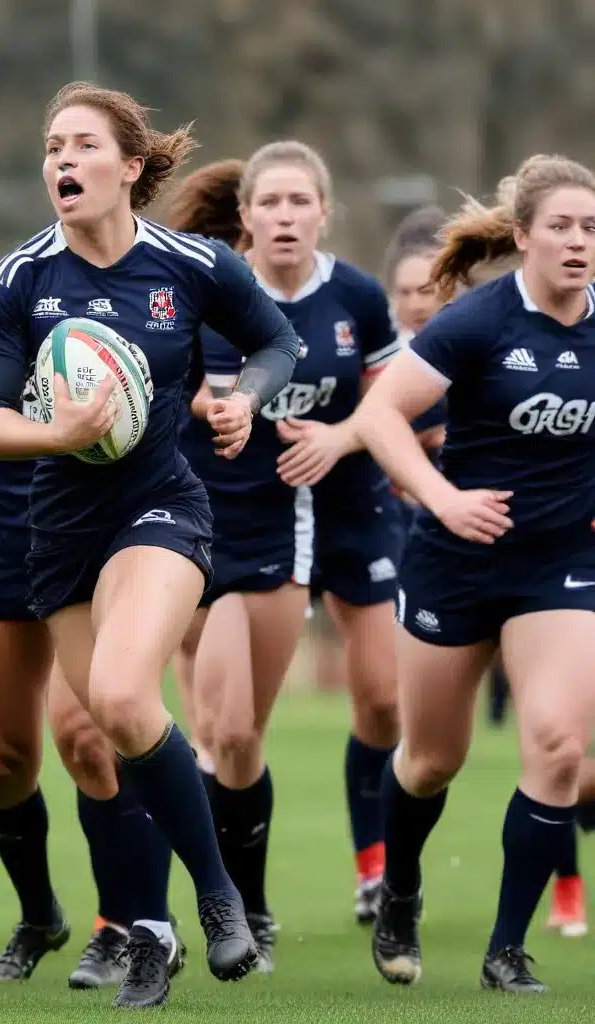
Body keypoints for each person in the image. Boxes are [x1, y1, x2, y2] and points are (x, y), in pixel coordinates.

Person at [0, 81, 300, 1008]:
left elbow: (278, 344)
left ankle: (220, 897)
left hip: (160, 510)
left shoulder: (189, 265)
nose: (61, 161)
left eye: (82, 144)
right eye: (50, 145)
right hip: (57, 532)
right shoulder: (20, 279)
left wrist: (244, 398)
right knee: (94, 734)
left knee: (120, 691)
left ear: (131, 165)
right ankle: (149, 931)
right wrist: (57, 435)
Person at [354, 154, 595, 993]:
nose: (577, 241)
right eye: (561, 226)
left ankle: (506, 948)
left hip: (559, 565)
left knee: (560, 747)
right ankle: (401, 893)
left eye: (591, 228)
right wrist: (442, 499)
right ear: (523, 236)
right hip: (455, 563)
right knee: (431, 758)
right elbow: (378, 416)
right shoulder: (479, 323)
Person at [171, 144, 403, 943]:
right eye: (269, 203)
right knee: (223, 729)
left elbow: (389, 403)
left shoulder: (358, 299)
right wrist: (218, 407)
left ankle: (365, 871)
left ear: (323, 212)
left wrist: (340, 439)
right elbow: (172, 385)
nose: (284, 217)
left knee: (372, 698)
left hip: (322, 506)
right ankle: (237, 904)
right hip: (211, 514)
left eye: (299, 202)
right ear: (246, 216)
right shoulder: (209, 288)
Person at [0, 291, 183, 991]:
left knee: (90, 736)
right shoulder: (8, 301)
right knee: (2, 762)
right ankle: (38, 915)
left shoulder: (162, 288)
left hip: (96, 532)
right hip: (5, 534)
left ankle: (128, 925)